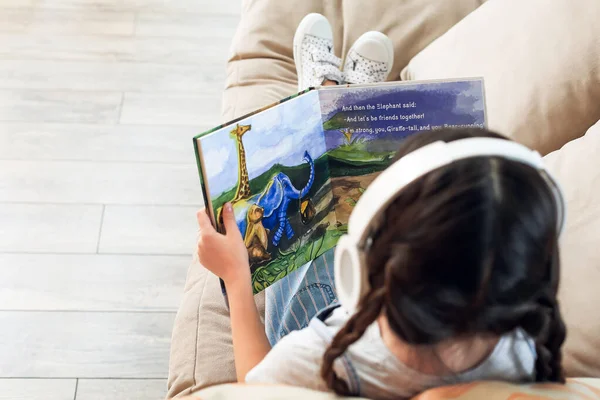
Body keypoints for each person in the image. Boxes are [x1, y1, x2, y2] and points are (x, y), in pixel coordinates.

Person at [195, 125, 567, 399]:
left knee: (307, 259)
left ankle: (323, 94)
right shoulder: (523, 353)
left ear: (356, 270)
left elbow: (252, 389)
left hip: (333, 328)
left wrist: (237, 280)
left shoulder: (312, 359)